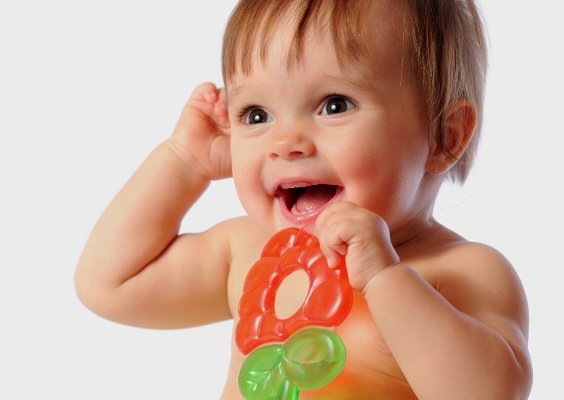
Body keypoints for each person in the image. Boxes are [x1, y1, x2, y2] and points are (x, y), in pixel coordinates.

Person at [75, 0, 533, 398]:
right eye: (256, 115)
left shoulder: (464, 271)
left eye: (335, 104)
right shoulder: (246, 250)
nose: (284, 141)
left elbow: (489, 392)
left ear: (443, 136)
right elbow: (110, 285)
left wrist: (385, 278)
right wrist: (183, 162)